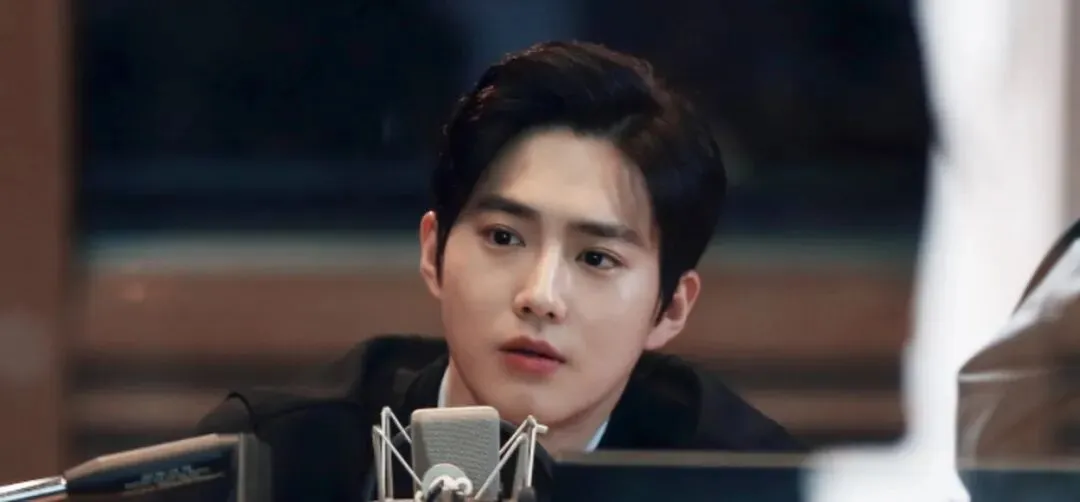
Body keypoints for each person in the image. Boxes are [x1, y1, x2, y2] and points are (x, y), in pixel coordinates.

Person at [196, 41, 803, 501]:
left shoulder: (745, 482)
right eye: (504, 237)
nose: (540, 296)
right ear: (433, 252)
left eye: (596, 258)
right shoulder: (276, 459)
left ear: (669, 308)